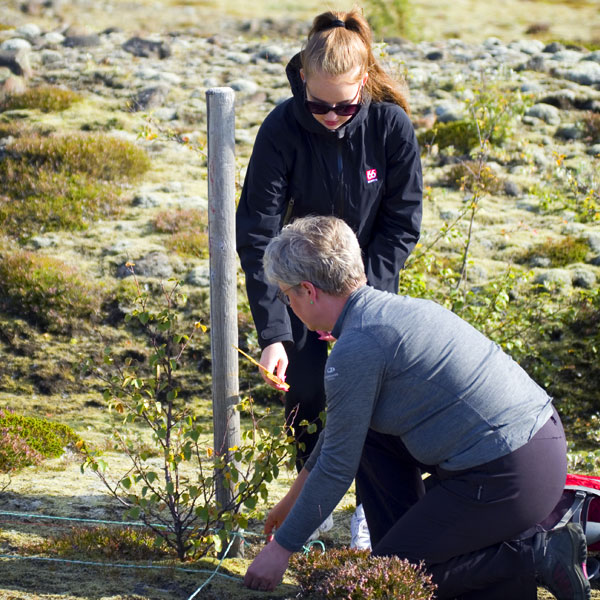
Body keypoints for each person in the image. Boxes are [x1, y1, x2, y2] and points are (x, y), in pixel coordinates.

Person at [243, 215, 591, 600]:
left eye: (285, 295)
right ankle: (426, 549)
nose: (288, 305)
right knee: (370, 439)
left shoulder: (356, 348)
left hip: (511, 475)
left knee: (391, 580)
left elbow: (337, 467)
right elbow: (339, 439)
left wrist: (281, 549)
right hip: (535, 449)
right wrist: (289, 506)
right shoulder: (389, 312)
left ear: (308, 291)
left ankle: (533, 558)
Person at [235, 8, 423, 477]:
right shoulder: (282, 129)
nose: (332, 118)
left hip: (368, 281)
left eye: (345, 107)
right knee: (307, 392)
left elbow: (401, 222)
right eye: (319, 106)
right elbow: (259, 231)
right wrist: (274, 335)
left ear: (363, 82)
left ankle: (372, 506)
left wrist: (361, 298)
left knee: (376, 391)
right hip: (301, 283)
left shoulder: (389, 125)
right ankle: (310, 503)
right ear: (302, 79)